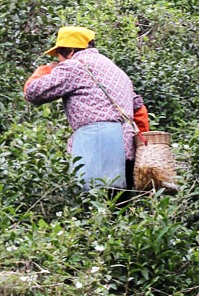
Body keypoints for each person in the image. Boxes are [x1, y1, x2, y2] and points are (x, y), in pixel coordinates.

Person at [23, 26, 149, 192]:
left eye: (58, 55)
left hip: (97, 146)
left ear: (70, 51)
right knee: (119, 204)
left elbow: (32, 92)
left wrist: (46, 69)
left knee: (92, 201)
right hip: (127, 148)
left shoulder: (74, 66)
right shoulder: (115, 70)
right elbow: (139, 108)